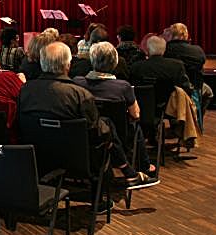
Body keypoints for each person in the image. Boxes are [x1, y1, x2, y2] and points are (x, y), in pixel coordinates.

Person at [18, 42, 159, 190]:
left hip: (38, 156)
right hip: (78, 158)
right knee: (105, 127)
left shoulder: (25, 90)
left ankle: (128, 173)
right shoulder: (78, 94)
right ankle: (128, 173)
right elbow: (96, 133)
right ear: (68, 65)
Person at [73, 42, 155, 176]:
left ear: (91, 61)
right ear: (115, 63)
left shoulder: (77, 82)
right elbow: (136, 115)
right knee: (136, 127)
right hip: (119, 136)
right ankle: (144, 166)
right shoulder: (122, 87)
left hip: (86, 135)